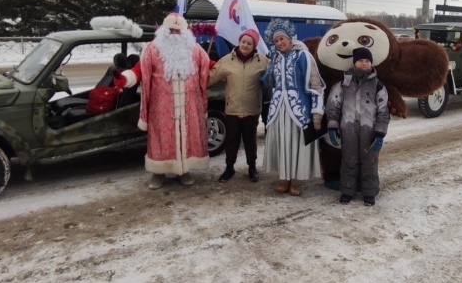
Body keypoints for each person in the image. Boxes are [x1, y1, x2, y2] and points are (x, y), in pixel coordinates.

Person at [138, 13, 210, 190]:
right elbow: (144, 76)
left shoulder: (195, 50)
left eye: (178, 30)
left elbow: (206, 71)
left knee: (187, 136)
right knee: (161, 139)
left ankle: (184, 171)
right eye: (171, 29)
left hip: (189, 106)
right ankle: (158, 172)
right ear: (163, 29)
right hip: (161, 107)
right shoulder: (152, 48)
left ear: (185, 32)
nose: (174, 33)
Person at [262, 19, 325, 196]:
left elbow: (316, 84)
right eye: (276, 41)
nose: (279, 43)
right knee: (282, 141)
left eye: (282, 39)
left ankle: (297, 179)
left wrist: (317, 112)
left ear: (290, 38)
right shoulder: (274, 57)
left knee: (297, 143)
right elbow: (270, 82)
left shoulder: (303, 55)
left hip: (299, 109)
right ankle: (283, 177)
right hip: (278, 109)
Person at [325, 47, 390, 206]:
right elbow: (334, 106)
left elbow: (383, 111)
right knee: (349, 160)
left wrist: (380, 133)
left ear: (371, 63)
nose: (364, 63)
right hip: (348, 130)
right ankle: (347, 190)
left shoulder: (378, 85)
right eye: (361, 60)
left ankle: (369, 192)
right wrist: (333, 126)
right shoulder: (343, 84)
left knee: (370, 162)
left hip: (369, 131)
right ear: (355, 62)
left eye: (367, 61)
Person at [208, 28, 270, 183]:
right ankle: (229, 168)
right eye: (243, 42)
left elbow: (276, 77)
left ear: (254, 45)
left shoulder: (262, 61)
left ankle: (252, 168)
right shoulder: (227, 60)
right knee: (232, 140)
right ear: (239, 42)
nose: (245, 45)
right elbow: (210, 78)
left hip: (252, 109)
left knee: (250, 141)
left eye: (249, 43)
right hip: (232, 109)